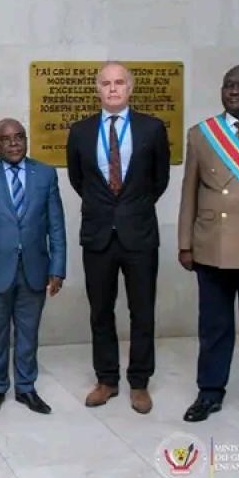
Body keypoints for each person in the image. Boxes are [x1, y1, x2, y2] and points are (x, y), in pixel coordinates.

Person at [66, 62, 170, 414]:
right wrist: (106, 211)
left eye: (119, 82)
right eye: (106, 83)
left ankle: (139, 382)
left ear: (130, 88)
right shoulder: (79, 131)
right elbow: (79, 181)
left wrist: (130, 210)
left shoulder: (152, 129)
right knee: (100, 311)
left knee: (142, 312)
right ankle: (107, 379)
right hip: (98, 235)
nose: (113, 88)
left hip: (139, 235)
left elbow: (159, 181)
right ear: (97, 89)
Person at [178, 64, 239, 433]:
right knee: (214, 327)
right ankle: (210, 393)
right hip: (211, 246)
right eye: (228, 85)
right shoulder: (202, 134)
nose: (234, 91)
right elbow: (189, 192)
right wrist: (185, 243)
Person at [0, 118, 66, 416]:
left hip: (35, 268)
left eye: (19, 137)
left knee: (28, 333)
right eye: (6, 139)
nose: (14, 143)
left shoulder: (45, 174)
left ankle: (26, 388)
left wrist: (58, 268)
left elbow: (56, 226)